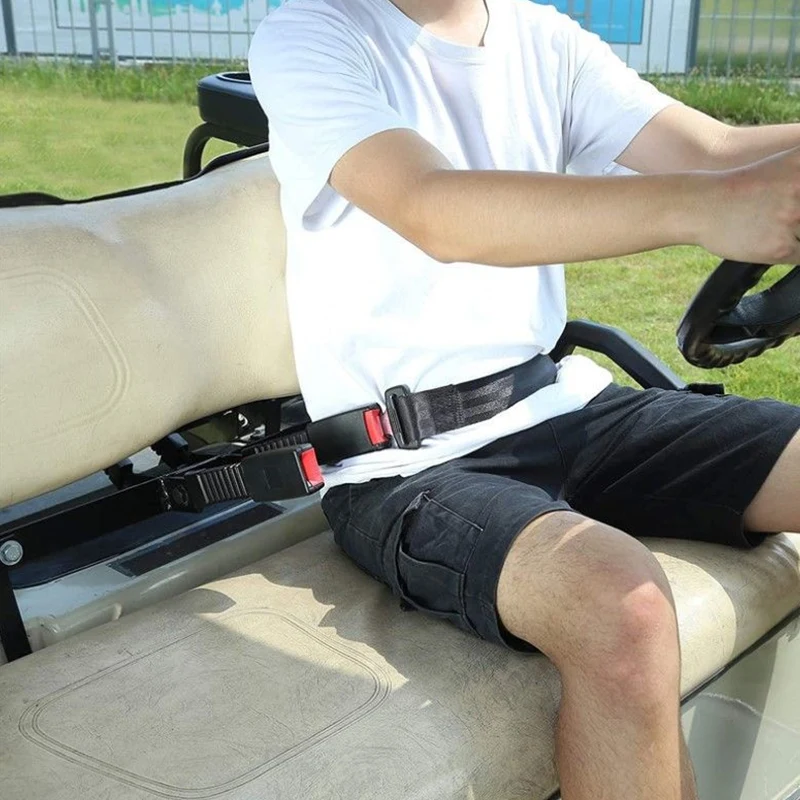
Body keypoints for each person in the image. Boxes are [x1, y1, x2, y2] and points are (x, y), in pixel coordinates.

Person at [248, 1, 800, 796]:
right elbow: (433, 206)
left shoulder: (541, 37)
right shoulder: (314, 34)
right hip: (407, 464)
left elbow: (713, 149)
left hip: (561, 403)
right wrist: (704, 205)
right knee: (625, 606)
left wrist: (732, 182)